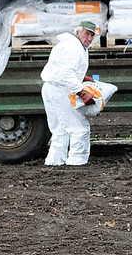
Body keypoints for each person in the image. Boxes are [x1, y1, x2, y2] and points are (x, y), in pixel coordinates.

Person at [41, 19, 99, 167]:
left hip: (51, 88)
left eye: (92, 35)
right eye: (87, 34)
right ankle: (77, 162)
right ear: (78, 31)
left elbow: (63, 69)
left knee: (60, 129)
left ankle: (54, 161)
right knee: (79, 127)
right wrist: (82, 92)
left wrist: (82, 77)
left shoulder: (73, 45)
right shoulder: (73, 47)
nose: (90, 38)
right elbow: (66, 74)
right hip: (61, 90)